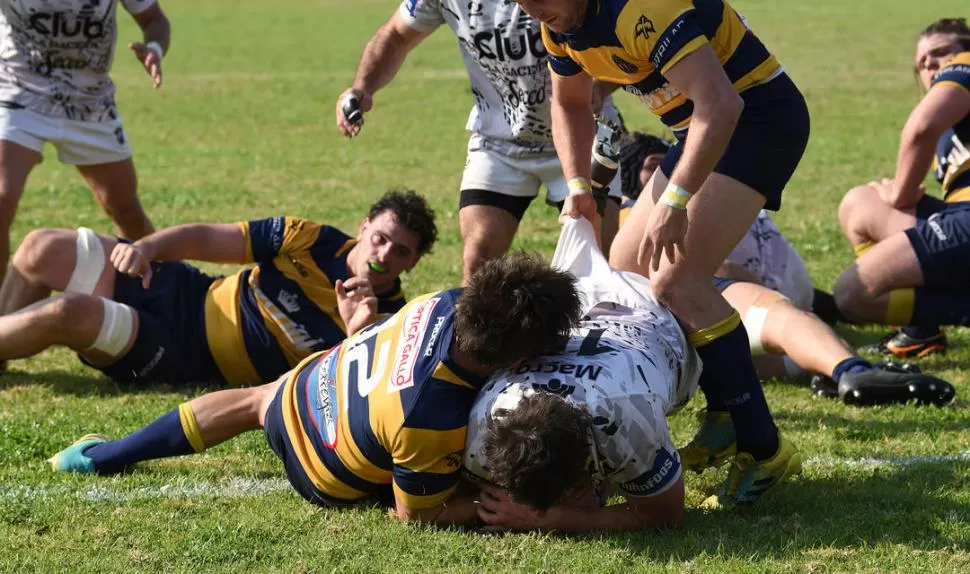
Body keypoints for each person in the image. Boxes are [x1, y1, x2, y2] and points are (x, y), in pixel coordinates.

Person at [519, 0, 811, 507]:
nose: (534, 11)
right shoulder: (559, 26)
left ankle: (764, 448)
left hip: (757, 121)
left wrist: (675, 200)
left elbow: (723, 104)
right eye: (522, 3)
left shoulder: (638, 8)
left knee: (677, 280)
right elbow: (567, 104)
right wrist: (577, 185)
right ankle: (723, 412)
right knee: (630, 275)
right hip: (698, 128)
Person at [47, 253, 583, 527]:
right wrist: (503, 508)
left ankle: (103, 456)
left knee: (259, 397)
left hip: (299, 390)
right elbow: (415, 517)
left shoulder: (446, 301)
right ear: (515, 357)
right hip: (322, 472)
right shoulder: (433, 417)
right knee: (451, 479)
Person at [619, 136, 952, 405]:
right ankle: (848, 368)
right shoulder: (637, 215)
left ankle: (830, 363)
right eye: (657, 166)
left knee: (769, 326)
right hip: (713, 292)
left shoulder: (715, 187)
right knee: (771, 319)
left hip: (748, 297)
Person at [0, 190, 437, 385]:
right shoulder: (310, 239)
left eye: (401, 252)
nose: (384, 255)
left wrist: (354, 331)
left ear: (413, 263)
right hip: (186, 292)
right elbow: (210, 238)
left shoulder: (391, 322)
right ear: (363, 228)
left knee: (69, 313)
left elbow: (350, 394)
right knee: (41, 248)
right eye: (380, 238)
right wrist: (147, 248)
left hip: (182, 353)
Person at [334, 0, 624, 283]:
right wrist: (363, 86)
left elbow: (629, 44)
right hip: (499, 140)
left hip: (581, 133)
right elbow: (397, 35)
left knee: (596, 258)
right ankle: (472, 333)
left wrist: (600, 85)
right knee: (478, 261)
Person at [0, 0, 172, 286]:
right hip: (18, 96)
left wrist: (153, 49)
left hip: (90, 105)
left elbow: (154, 19)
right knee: (2, 198)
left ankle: (170, 295)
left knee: (125, 208)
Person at [835, 18, 970, 358]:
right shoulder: (951, 131)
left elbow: (921, 127)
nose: (931, 65)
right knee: (860, 205)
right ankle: (921, 331)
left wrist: (900, 193)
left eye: (942, 54)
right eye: (922, 63)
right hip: (961, 219)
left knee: (853, 293)